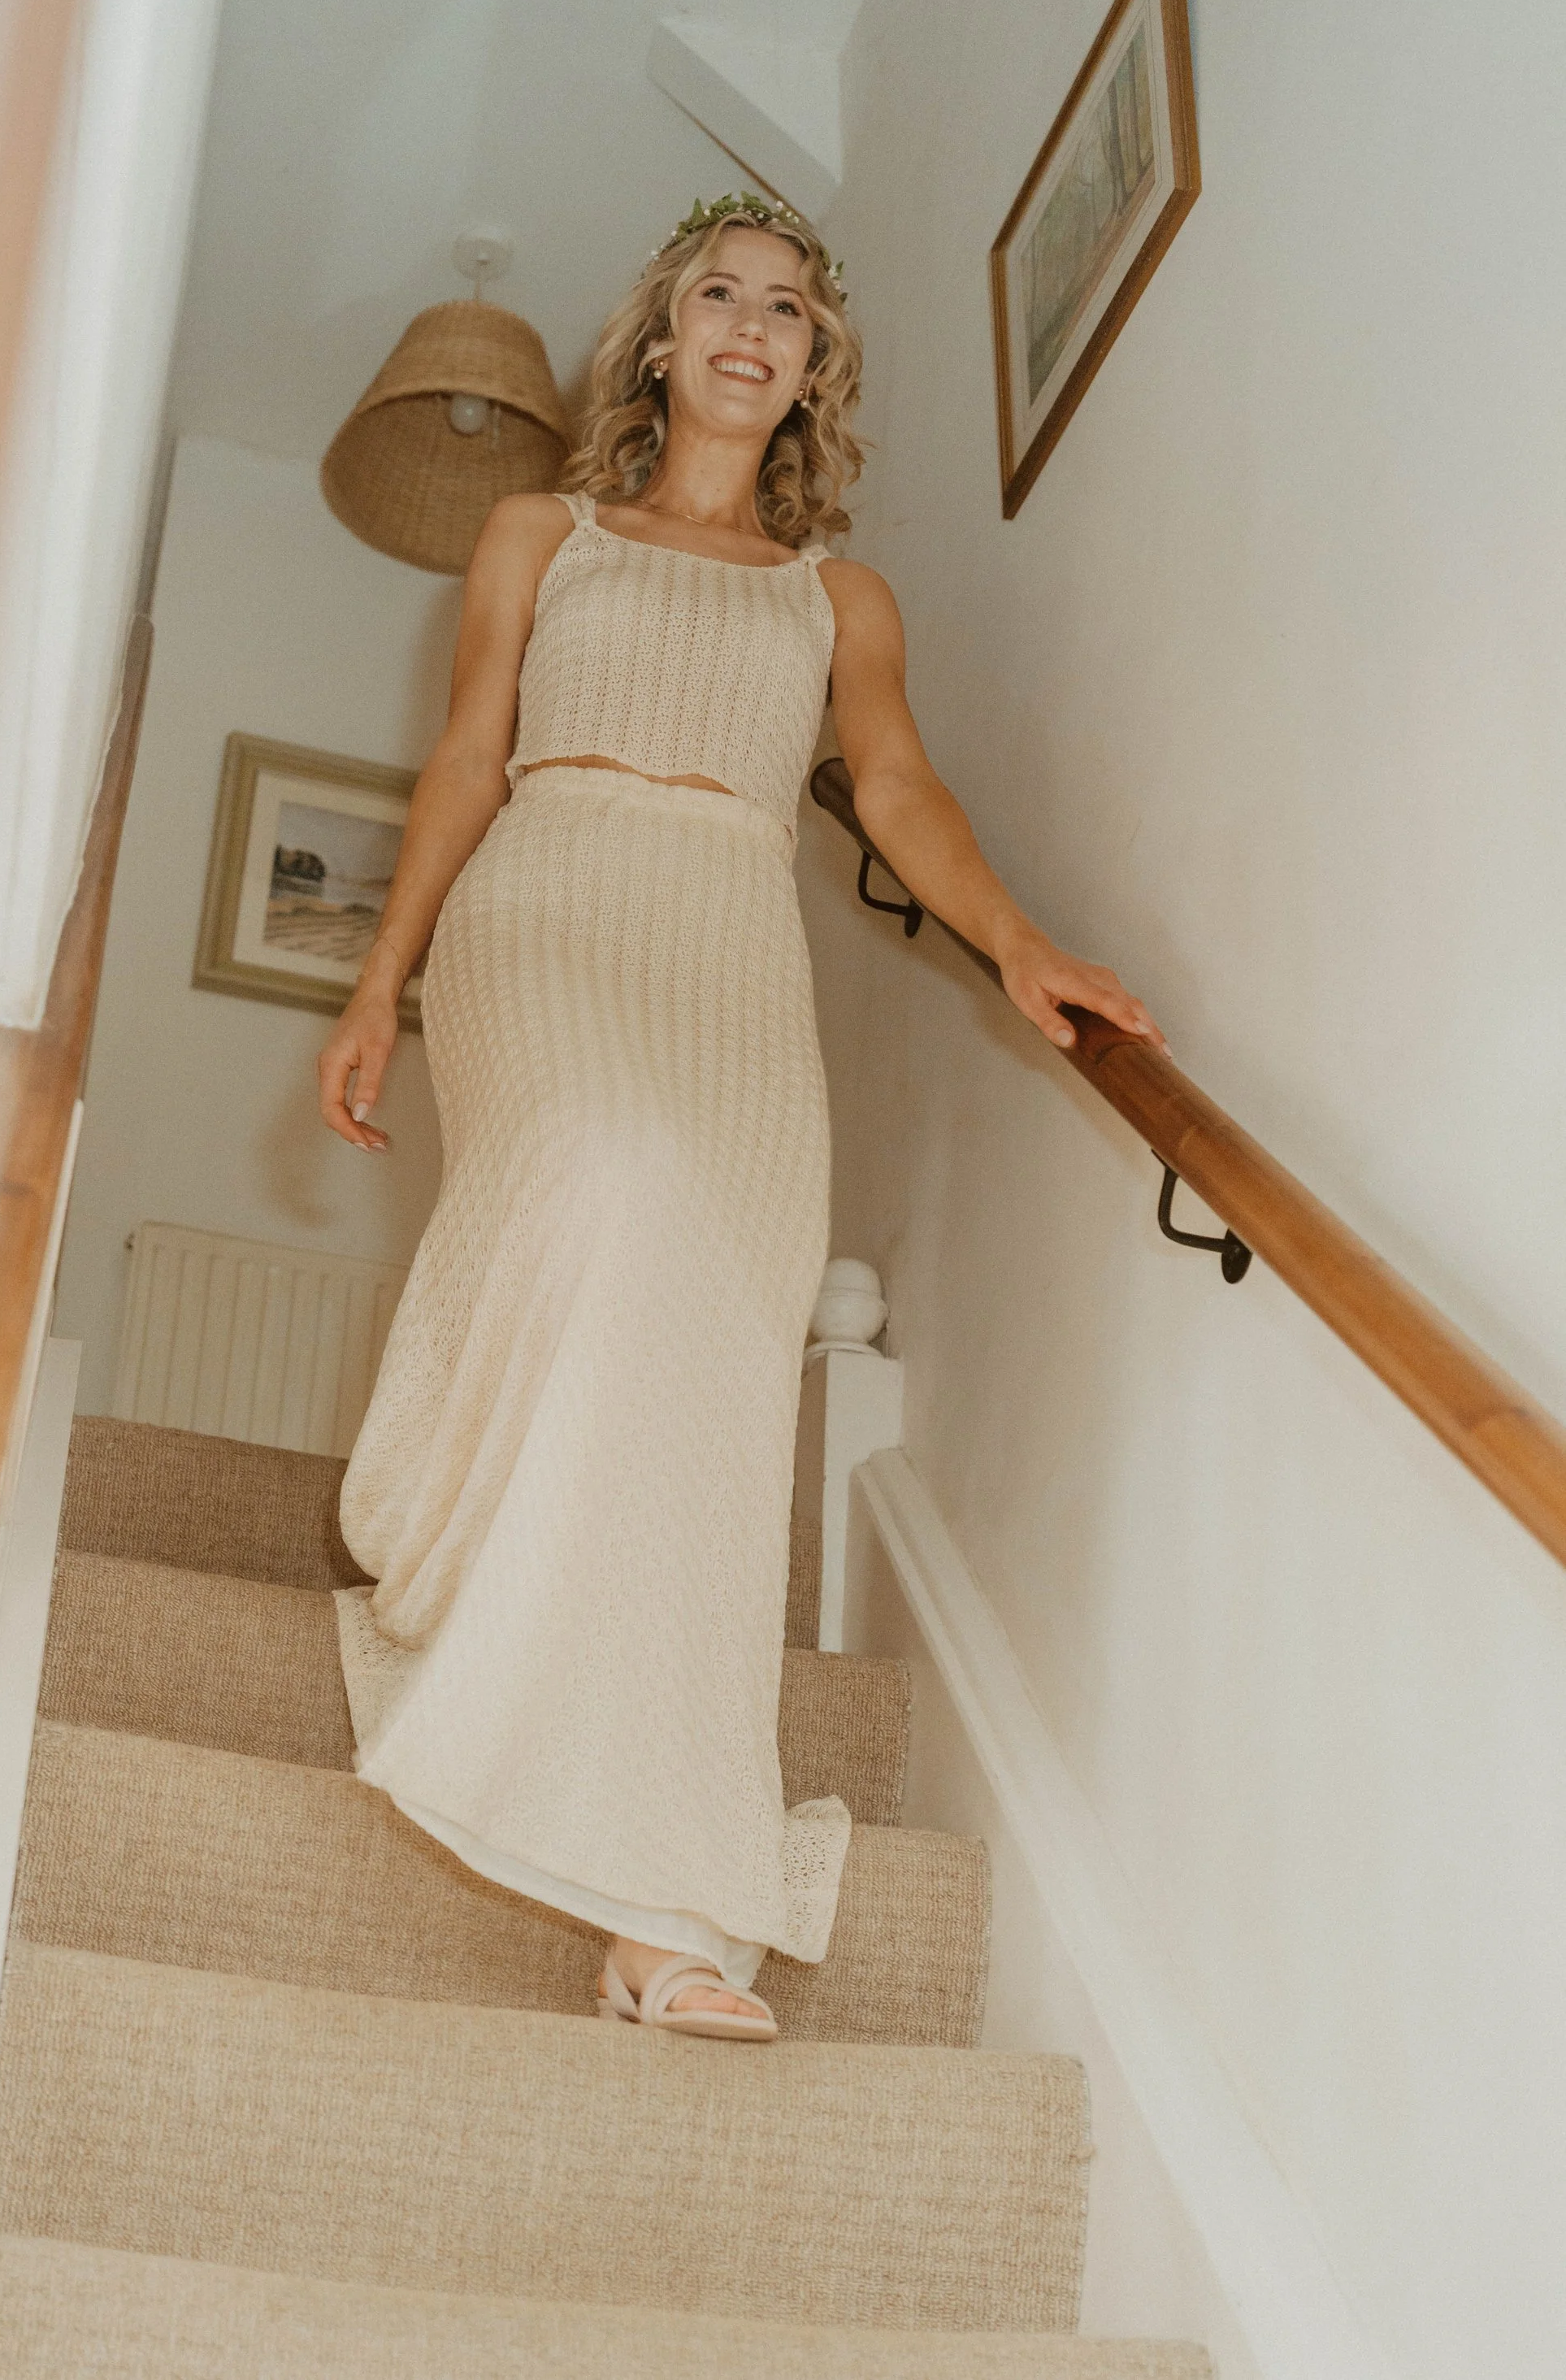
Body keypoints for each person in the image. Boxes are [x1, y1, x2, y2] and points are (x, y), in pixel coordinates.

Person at [316, 193, 1161, 2039]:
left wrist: (1018, 947)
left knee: (705, 1365)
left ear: (808, 374)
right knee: (605, 1184)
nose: (749, 324)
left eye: (787, 309)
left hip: (728, 939)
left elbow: (902, 791)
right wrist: (380, 977)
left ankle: (670, 1911)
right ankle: (459, 1538)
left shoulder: (837, 595)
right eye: (718, 291)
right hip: (548, 899)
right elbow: (466, 756)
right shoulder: (538, 533)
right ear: (657, 334)